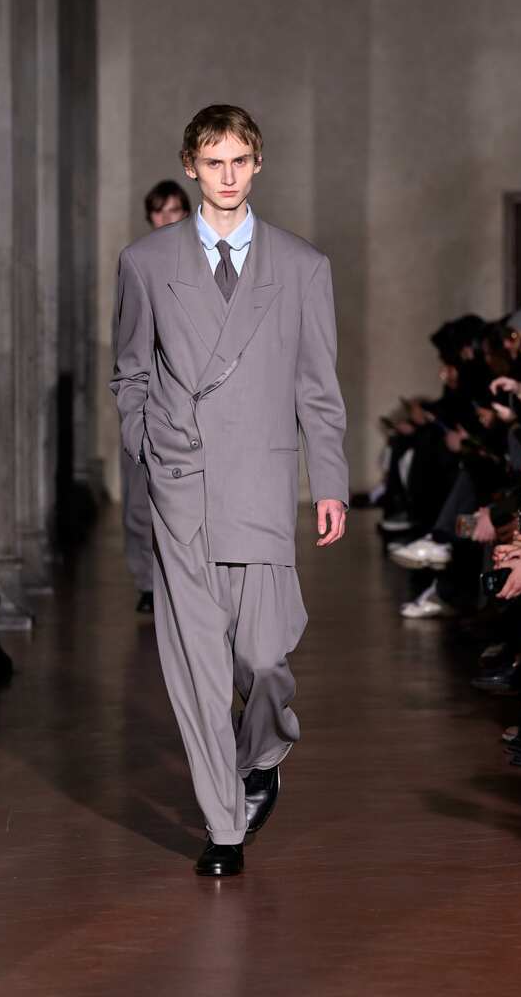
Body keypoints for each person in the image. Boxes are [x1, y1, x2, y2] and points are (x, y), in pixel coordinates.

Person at [111, 104, 348, 876]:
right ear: (191, 167)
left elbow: (318, 387)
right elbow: (129, 371)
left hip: (261, 484)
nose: (226, 175)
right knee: (199, 671)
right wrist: (146, 445)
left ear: (256, 164)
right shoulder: (145, 262)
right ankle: (223, 828)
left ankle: (265, 749)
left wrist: (330, 481)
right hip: (182, 484)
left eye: (239, 160)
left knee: (264, 657)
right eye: (213, 162)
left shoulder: (302, 266)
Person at [119, 180, 191, 613]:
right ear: (150, 216)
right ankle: (147, 582)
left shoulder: (202, 262)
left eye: (175, 210)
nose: (167, 218)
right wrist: (133, 412)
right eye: (160, 211)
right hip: (147, 399)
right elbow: (128, 338)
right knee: (138, 500)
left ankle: (176, 584)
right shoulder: (137, 263)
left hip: (187, 400)